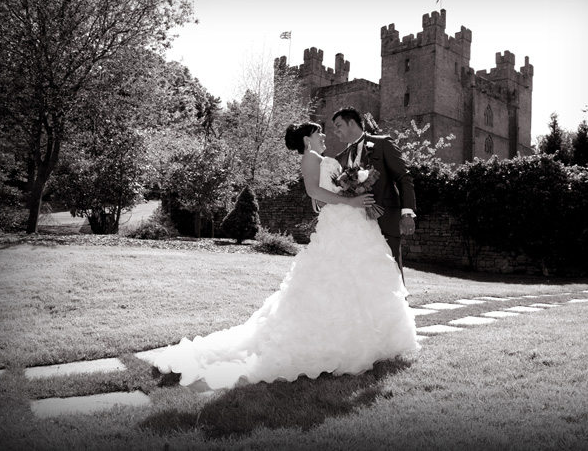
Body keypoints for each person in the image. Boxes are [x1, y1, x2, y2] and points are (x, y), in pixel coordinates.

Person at [152, 121, 419, 391]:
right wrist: (350, 199)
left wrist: (354, 188)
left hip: (350, 221)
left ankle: (373, 338)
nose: (324, 135)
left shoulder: (325, 158)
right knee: (334, 276)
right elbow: (314, 192)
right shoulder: (311, 157)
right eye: (319, 133)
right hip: (340, 222)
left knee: (357, 274)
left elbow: (325, 194)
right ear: (307, 139)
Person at [332, 107, 416, 283]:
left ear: (351, 123)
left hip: (385, 219)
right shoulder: (340, 158)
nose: (335, 131)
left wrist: (407, 213)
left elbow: (403, 177)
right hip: (355, 226)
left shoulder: (382, 144)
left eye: (338, 125)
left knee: (391, 274)